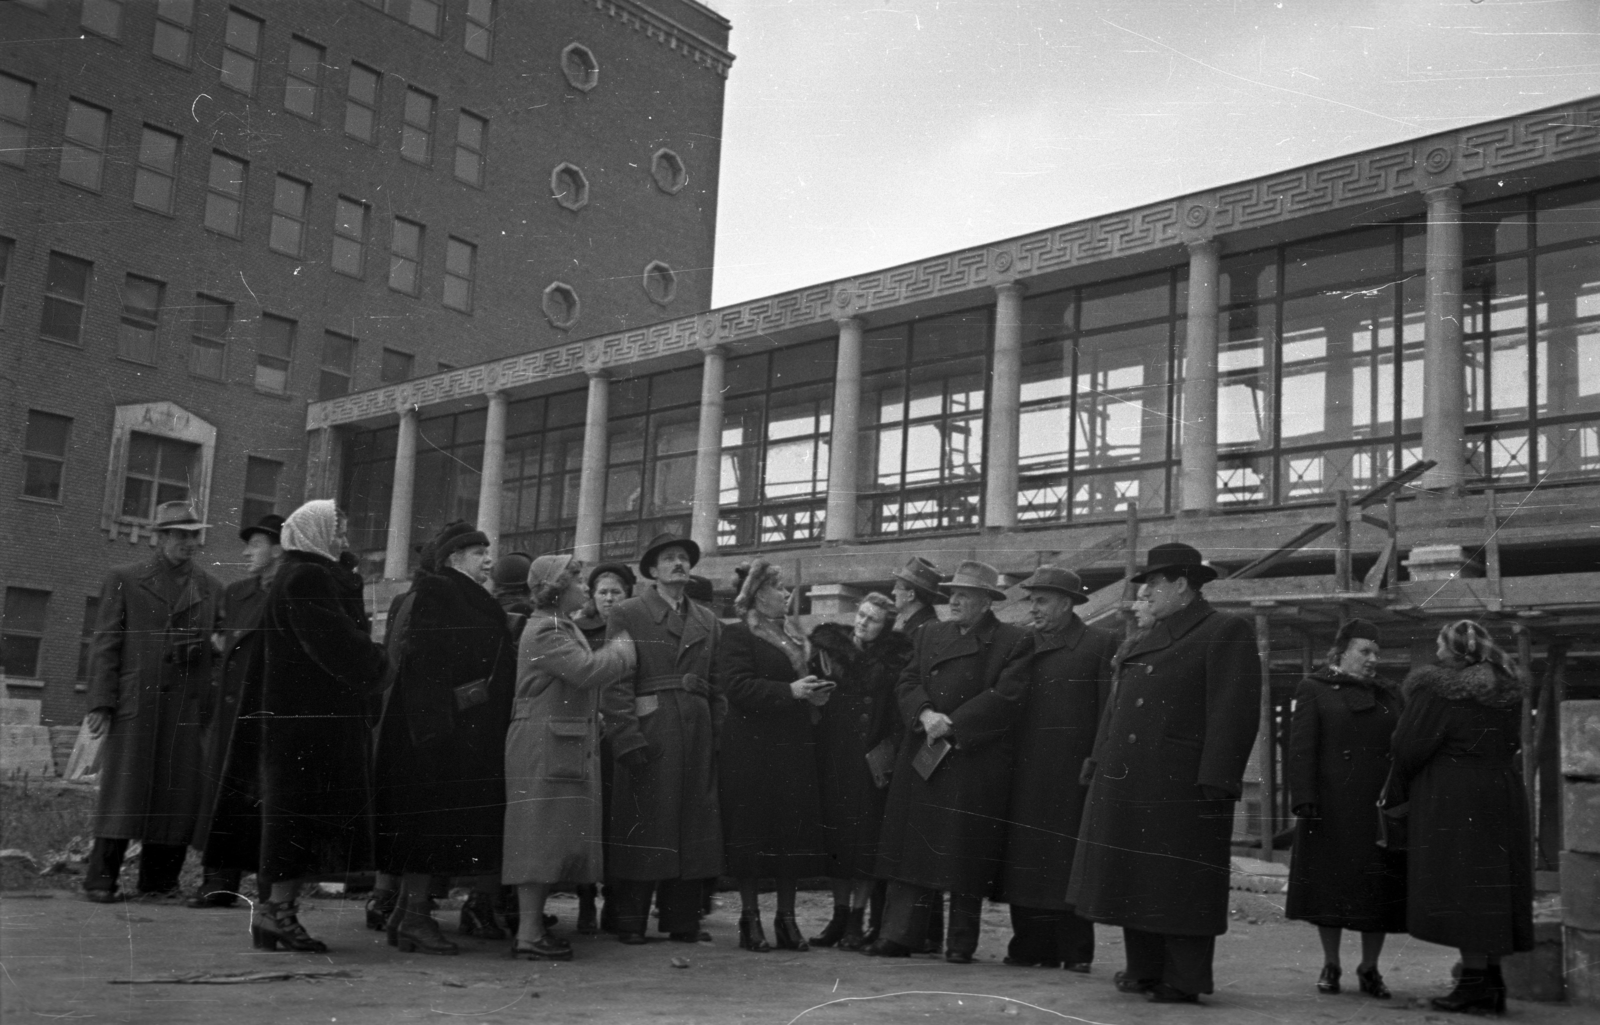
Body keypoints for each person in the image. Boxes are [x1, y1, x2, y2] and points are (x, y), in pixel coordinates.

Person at [1067, 542, 1261, 1005]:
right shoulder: (1150, 634)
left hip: (1183, 782)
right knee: (1138, 876)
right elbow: (1116, 710)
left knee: (1180, 884)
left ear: (1181, 584)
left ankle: (1184, 977)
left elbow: (1233, 712)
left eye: (1154, 584)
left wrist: (1217, 780)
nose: (1146, 592)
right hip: (1134, 778)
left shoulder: (1223, 630)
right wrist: (1097, 764)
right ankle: (1143, 968)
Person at [867, 560, 1031, 964]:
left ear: (985, 601)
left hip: (971, 758)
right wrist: (924, 714)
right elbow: (906, 681)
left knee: (964, 853)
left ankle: (960, 941)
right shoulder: (929, 634)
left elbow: (1007, 698)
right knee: (914, 850)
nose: (954, 600)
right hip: (924, 753)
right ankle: (900, 935)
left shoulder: (1012, 640)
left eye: (964, 594)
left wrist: (954, 723)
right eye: (952, 593)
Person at [374, 521, 516, 955]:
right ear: (455, 559)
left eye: (488, 551)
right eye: (479, 553)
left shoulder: (465, 595)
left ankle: (404, 914)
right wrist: (434, 733)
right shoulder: (441, 593)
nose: (488, 559)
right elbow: (426, 667)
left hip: (455, 730)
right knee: (428, 828)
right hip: (437, 736)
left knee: (432, 827)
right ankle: (416, 917)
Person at [254, 500, 388, 951]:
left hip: (306, 720)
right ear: (316, 533)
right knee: (294, 816)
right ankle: (277, 913)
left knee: (294, 815)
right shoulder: (307, 578)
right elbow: (333, 643)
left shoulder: (302, 575)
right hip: (308, 723)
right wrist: (381, 662)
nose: (345, 541)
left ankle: (278, 912)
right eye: (339, 531)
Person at [82, 501, 223, 903]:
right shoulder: (123, 578)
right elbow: (106, 642)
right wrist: (100, 702)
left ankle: (160, 881)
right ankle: (100, 880)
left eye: (193, 535)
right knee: (123, 792)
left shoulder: (212, 588)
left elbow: (223, 647)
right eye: (179, 535)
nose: (188, 543)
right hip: (136, 703)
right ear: (158, 538)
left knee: (176, 795)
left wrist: (203, 650)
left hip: (186, 705)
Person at [1393, 620, 1533, 1014]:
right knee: (1492, 886)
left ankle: (1472, 987)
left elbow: (1407, 747)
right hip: (1502, 791)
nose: (1436, 652)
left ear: (1454, 652)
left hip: (1455, 799)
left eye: (1440, 645)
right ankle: (1492, 983)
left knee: (1464, 888)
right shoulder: (1507, 690)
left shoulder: (1436, 690)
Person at [503, 555, 636, 960]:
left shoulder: (560, 625)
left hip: (555, 742)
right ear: (558, 588)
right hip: (543, 746)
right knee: (536, 839)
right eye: (577, 581)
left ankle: (532, 930)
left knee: (547, 838)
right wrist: (625, 649)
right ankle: (528, 934)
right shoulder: (546, 630)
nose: (584, 588)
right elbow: (587, 671)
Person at [601, 532, 725, 944]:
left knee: (691, 823)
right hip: (651, 729)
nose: (679, 564)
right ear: (652, 571)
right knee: (644, 822)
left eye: (684, 558)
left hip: (697, 729)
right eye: (669, 559)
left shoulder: (707, 620)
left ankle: (683, 921)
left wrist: (715, 727)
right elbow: (616, 680)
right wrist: (625, 736)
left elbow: (718, 682)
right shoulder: (628, 612)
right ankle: (630, 921)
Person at [998, 567, 1116, 973]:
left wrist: (1096, 758)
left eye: (1042, 600)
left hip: (1072, 773)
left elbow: (1108, 710)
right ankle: (1029, 946)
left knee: (1068, 860)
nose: (1034, 608)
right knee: (1025, 859)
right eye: (1031, 600)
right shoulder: (1021, 644)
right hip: (1025, 769)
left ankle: (1075, 950)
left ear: (1067, 604)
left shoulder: (1099, 643)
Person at [1285, 618, 1406, 998]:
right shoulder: (1315, 688)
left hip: (1377, 807)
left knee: (1378, 889)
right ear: (1341, 653)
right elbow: (1301, 747)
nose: (1373, 659)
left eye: (1377, 652)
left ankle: (1370, 969)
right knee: (1329, 887)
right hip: (1331, 805)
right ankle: (1331, 963)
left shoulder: (1390, 694)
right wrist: (1303, 798)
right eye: (1364, 651)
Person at [715, 560, 833, 952]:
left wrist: (813, 694)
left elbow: (796, 685)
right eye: (779, 589)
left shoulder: (795, 637)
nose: (786, 596)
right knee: (751, 833)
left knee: (790, 834)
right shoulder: (737, 637)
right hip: (751, 750)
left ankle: (787, 919)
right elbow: (736, 686)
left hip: (793, 748)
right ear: (757, 594)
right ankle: (750, 918)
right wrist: (791, 692)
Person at [188, 512, 284, 908]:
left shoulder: (292, 593)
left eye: (256, 544)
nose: (247, 552)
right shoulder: (237, 594)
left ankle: (270, 885)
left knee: (269, 797)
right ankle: (220, 880)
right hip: (232, 715)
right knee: (227, 794)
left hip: (272, 713)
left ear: (279, 549)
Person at [807, 592, 912, 950]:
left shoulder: (895, 661)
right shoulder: (826, 652)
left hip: (871, 760)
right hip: (834, 756)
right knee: (837, 840)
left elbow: (899, 713)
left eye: (873, 620)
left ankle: (857, 918)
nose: (863, 623)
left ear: (886, 628)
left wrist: (889, 751)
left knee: (864, 843)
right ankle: (838, 917)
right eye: (862, 615)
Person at [573, 562, 636, 649]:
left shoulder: (637, 626)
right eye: (603, 593)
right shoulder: (578, 629)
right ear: (593, 595)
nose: (609, 598)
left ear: (626, 595)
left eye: (616, 592)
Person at [890, 556, 945, 641]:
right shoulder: (924, 627)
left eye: (897, 587)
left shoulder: (928, 631)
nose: (893, 592)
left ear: (911, 595)